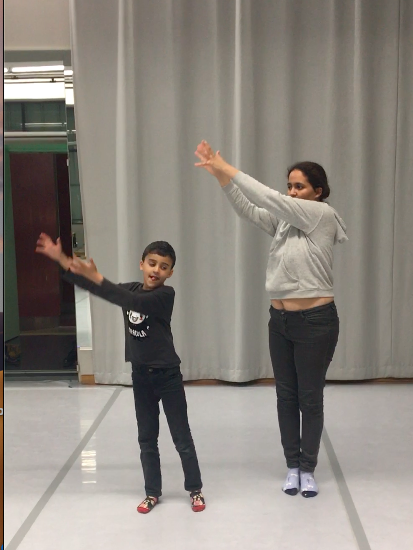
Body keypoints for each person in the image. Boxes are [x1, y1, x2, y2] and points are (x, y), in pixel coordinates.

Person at [194, 140, 347, 498]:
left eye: (300, 186)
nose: (292, 192)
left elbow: (269, 198)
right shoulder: (286, 221)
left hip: (315, 323)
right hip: (280, 322)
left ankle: (308, 468)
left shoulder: (321, 215)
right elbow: (250, 209)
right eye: (289, 185)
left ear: (318, 191)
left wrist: (228, 167)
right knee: (285, 396)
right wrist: (221, 178)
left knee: (310, 398)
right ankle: (292, 465)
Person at [36, 234, 205, 513]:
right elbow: (102, 290)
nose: (156, 270)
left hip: (168, 376)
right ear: (142, 264)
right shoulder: (131, 289)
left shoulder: (166, 295)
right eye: (152, 263)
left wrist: (98, 277)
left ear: (170, 273)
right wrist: (63, 260)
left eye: (163, 267)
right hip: (141, 376)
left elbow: (129, 300)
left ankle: (195, 489)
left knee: (181, 437)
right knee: (146, 438)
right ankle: (152, 492)